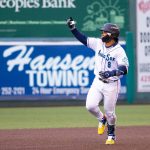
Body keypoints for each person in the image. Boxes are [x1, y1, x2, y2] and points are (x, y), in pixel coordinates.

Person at [66, 17, 129, 145]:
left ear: (112, 35)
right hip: (98, 81)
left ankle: (111, 135)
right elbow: (84, 39)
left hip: (112, 85)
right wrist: (73, 28)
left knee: (110, 113)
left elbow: (124, 68)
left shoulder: (119, 51)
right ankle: (102, 119)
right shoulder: (99, 43)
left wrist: (111, 73)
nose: (102, 34)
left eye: (105, 32)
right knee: (90, 106)